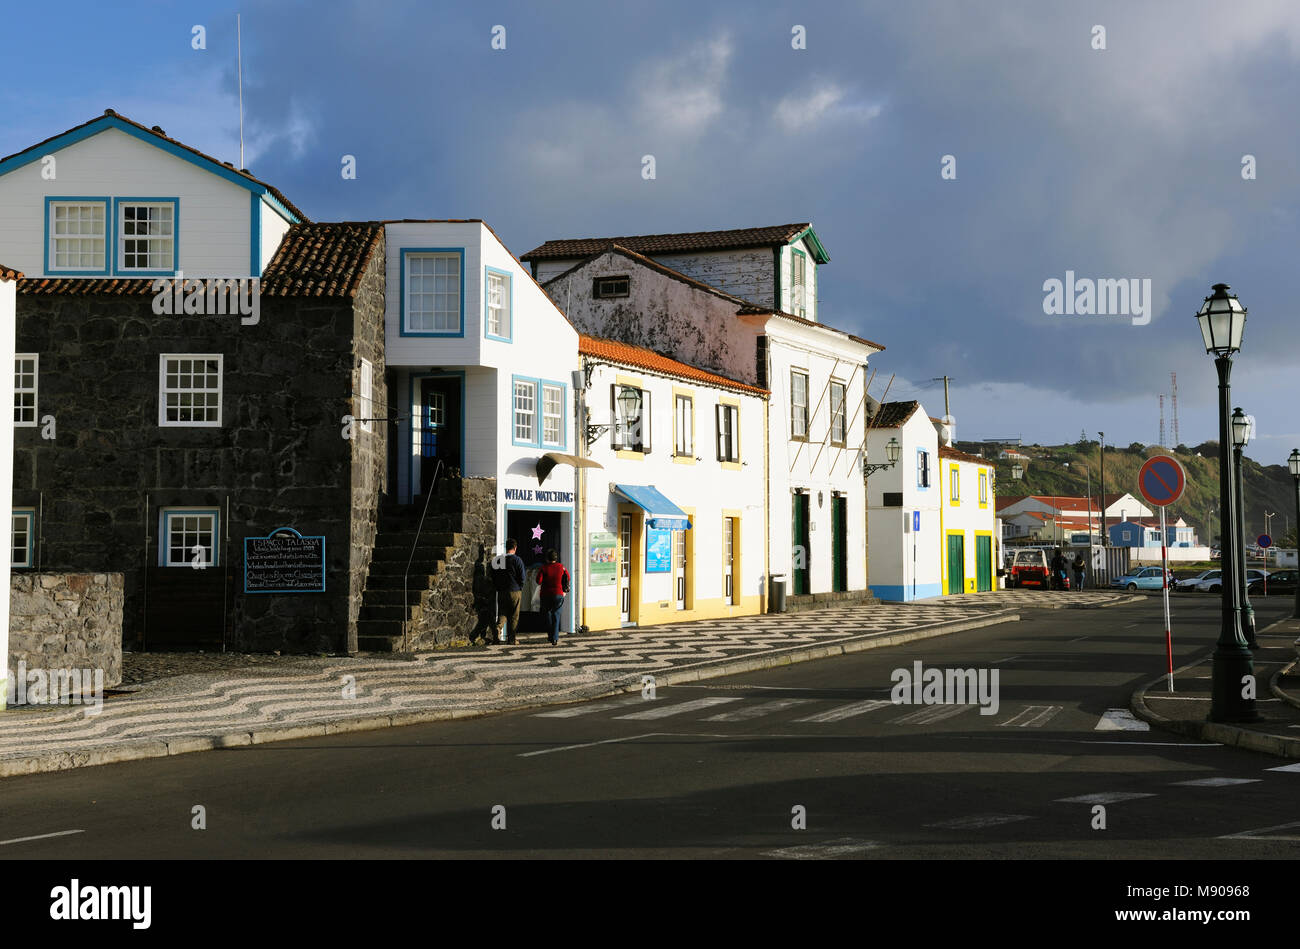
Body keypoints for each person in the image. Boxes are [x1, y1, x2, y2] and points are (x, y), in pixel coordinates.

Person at [490, 538, 526, 645]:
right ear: (515, 548)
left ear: (506, 547)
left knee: (502, 612)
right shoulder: (517, 560)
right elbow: (522, 577)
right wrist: (520, 587)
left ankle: (498, 628)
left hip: (502, 591)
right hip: (515, 590)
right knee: (514, 615)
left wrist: (498, 587)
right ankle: (512, 638)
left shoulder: (498, 560)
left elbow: (493, 575)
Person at [535, 549, 571, 646]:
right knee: (556, 615)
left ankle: (550, 635)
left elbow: (538, 581)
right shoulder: (561, 567)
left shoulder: (544, 568)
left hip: (545, 595)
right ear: (556, 558)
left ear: (547, 558)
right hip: (558, 594)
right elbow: (568, 577)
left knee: (547, 615)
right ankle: (554, 638)